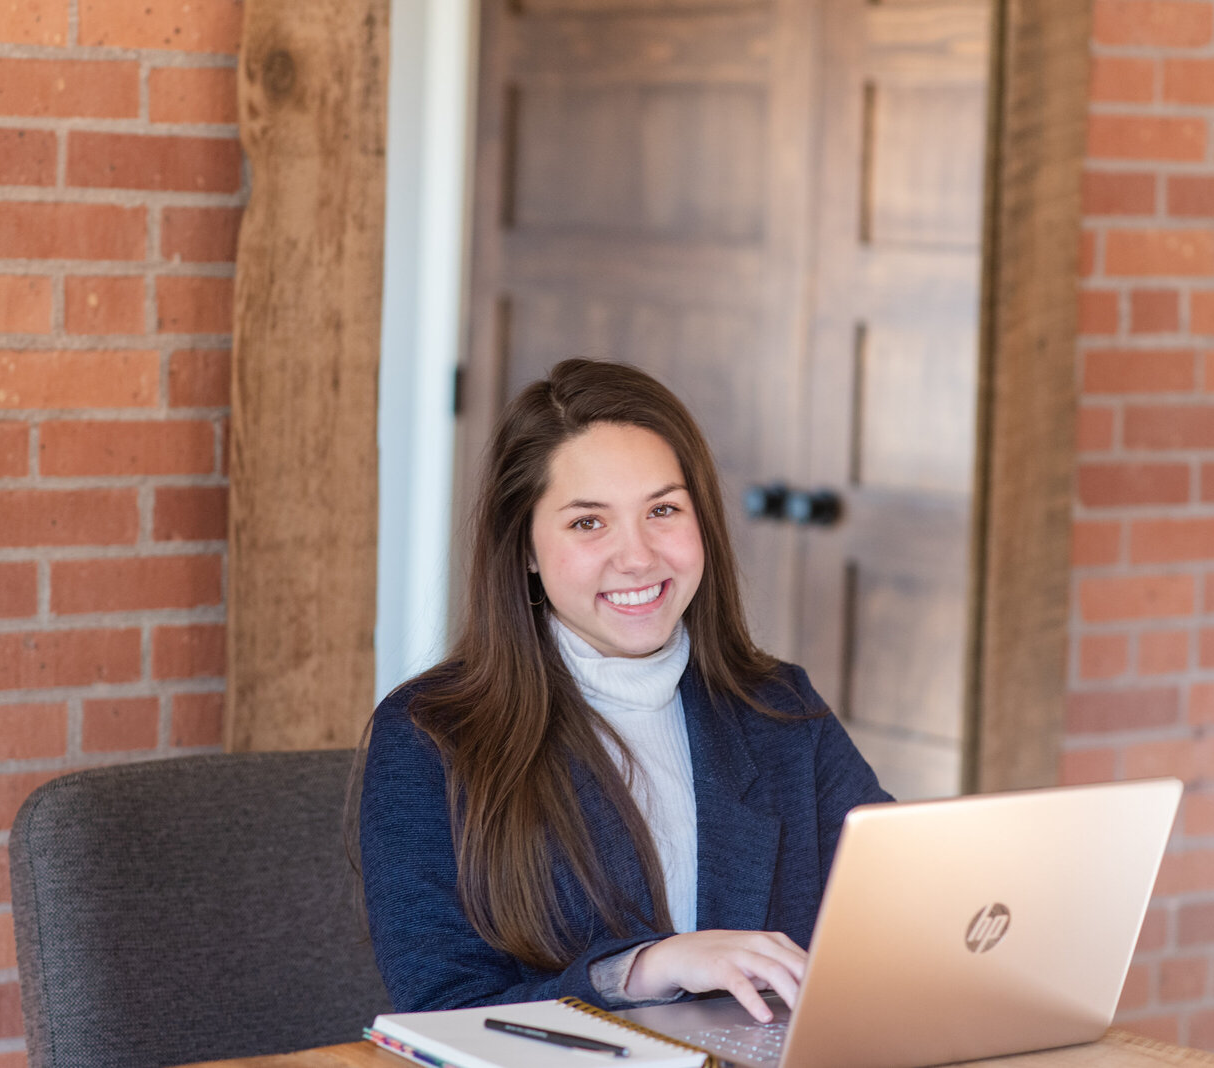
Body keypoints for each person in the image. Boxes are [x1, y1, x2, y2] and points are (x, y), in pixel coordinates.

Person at [358, 359, 891, 1023]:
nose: (637, 557)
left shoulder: (779, 708)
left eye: (662, 510)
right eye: (588, 523)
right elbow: (443, 1009)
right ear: (523, 545)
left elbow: (893, 915)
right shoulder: (429, 736)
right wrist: (643, 969)